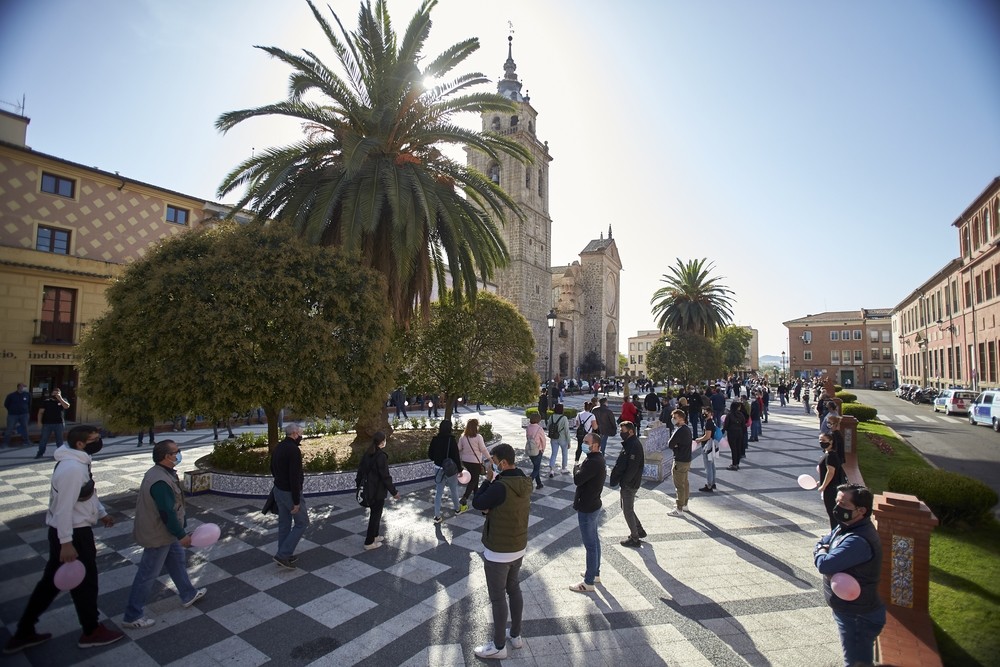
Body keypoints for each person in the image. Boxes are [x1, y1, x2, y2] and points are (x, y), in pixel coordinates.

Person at [3, 425, 124, 654]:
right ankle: (91, 631)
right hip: (73, 533)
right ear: (80, 444)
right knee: (86, 583)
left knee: (51, 584)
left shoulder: (80, 462)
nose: (99, 442)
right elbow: (63, 508)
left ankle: (24, 631)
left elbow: (87, 493)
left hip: (75, 530)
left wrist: (101, 513)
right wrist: (66, 542)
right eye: (95, 439)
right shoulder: (71, 469)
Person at [122, 440, 207, 629]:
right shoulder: (160, 480)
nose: (179, 454)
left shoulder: (161, 473)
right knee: (147, 574)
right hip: (159, 534)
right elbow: (167, 511)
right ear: (167, 456)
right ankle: (132, 615)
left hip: (165, 533)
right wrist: (181, 534)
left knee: (177, 561)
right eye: (177, 451)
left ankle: (188, 593)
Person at [471, 443, 532, 660]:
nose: (492, 466)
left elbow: (477, 502)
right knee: (514, 589)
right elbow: (501, 505)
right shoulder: (524, 480)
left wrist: (488, 479)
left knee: (498, 598)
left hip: (499, 551)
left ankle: (498, 647)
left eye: (494, 462)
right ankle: (515, 635)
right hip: (518, 546)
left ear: (503, 463)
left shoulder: (499, 486)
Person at [813, 484, 885, 667]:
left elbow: (825, 564)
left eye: (843, 503)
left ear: (861, 510)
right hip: (852, 611)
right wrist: (822, 547)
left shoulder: (857, 540)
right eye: (837, 501)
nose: (837, 507)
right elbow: (824, 540)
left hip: (858, 617)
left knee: (856, 663)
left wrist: (821, 551)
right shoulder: (847, 525)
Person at [570, 432, 606, 593]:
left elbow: (578, 480)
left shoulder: (593, 462)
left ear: (596, 445)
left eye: (586, 442)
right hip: (593, 504)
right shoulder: (596, 458)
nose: (583, 443)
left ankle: (588, 582)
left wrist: (576, 470)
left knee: (590, 544)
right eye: (583, 441)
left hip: (588, 506)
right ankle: (594, 572)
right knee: (594, 541)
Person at [270, 423, 309, 568]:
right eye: (300, 434)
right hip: (289, 492)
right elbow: (294, 476)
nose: (301, 437)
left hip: (278, 490)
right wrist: (296, 501)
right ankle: (283, 555)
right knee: (302, 522)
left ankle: (282, 553)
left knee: (284, 524)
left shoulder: (279, 447)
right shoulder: (293, 450)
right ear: (294, 433)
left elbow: (272, 467)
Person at [357, 431, 399, 549]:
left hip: (369, 490)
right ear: (381, 442)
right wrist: (394, 492)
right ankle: (369, 542)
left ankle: (375, 535)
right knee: (375, 515)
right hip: (377, 491)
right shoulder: (381, 457)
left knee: (376, 513)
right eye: (384, 440)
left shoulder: (368, 454)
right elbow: (385, 476)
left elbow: (360, 471)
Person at [609, 420, 645, 547]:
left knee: (627, 510)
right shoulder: (630, 443)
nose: (620, 433)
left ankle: (635, 538)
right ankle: (639, 530)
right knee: (627, 508)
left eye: (622, 431)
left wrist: (625, 482)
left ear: (630, 431)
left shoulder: (634, 445)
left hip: (630, 484)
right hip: (629, 482)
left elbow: (633, 467)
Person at [428, 420, 462, 523]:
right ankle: (457, 509)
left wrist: (437, 459)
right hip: (450, 469)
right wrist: (460, 469)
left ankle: (437, 516)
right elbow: (456, 456)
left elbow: (430, 455)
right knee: (453, 489)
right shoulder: (451, 440)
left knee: (439, 492)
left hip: (438, 468)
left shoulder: (435, 439)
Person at [458, 419, 491, 511]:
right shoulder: (478, 437)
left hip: (465, 461)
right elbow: (483, 449)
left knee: (474, 478)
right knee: (474, 479)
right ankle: (465, 497)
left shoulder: (463, 437)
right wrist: (490, 459)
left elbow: (459, 448)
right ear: (476, 426)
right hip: (475, 462)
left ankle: (477, 495)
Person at [667, 409, 693, 516]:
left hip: (680, 460)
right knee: (685, 483)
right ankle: (685, 504)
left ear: (681, 418)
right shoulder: (687, 429)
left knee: (679, 485)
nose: (673, 419)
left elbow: (670, 444)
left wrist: (676, 446)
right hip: (687, 459)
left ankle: (679, 508)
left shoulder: (680, 430)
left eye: (675, 417)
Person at [817, 433, 846, 530]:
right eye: (820, 440)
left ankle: (835, 533)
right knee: (832, 513)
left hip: (831, 489)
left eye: (824, 440)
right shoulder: (828, 454)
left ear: (831, 441)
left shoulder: (830, 455)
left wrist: (823, 486)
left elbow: (831, 472)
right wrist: (820, 482)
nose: (822, 442)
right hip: (832, 487)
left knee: (833, 513)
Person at [36, 388, 70, 459]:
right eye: (54, 393)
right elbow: (40, 412)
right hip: (47, 423)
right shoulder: (46, 401)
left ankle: (60, 454)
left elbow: (66, 406)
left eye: (57, 393)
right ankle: (40, 453)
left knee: (59, 440)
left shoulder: (63, 400)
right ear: (51, 394)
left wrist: (60, 398)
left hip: (59, 423)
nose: (55, 395)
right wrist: (39, 422)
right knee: (43, 439)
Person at [696, 406, 718, 492]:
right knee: (711, 465)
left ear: (710, 413)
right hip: (712, 444)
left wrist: (699, 439)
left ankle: (709, 485)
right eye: (703, 412)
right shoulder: (712, 421)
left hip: (707, 445)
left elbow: (707, 436)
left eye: (705, 412)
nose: (703, 414)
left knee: (708, 466)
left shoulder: (708, 423)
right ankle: (713, 483)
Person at [3, 382, 31, 448]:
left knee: (25, 428)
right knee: (9, 429)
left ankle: (26, 441)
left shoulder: (27, 395)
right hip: (12, 415)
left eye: (25, 386)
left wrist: (26, 410)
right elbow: (6, 404)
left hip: (24, 414)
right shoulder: (11, 395)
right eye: (23, 386)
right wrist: (12, 410)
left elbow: (29, 404)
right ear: (19, 387)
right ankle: (5, 443)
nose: (25, 388)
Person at [547, 403, 570, 477]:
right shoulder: (564, 418)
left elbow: (548, 427)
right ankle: (563, 468)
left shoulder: (552, 417)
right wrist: (569, 441)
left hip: (553, 438)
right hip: (563, 439)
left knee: (553, 454)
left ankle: (551, 470)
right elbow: (567, 431)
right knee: (564, 453)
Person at [524, 412, 547, 490]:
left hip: (530, 449)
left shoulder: (528, 427)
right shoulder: (539, 428)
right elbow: (543, 440)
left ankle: (539, 483)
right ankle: (527, 483)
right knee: (536, 469)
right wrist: (543, 449)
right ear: (538, 420)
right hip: (538, 450)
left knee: (535, 467)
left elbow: (527, 437)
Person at [726, 401, 747, 471]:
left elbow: (726, 425)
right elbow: (744, 425)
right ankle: (737, 463)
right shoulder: (741, 415)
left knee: (733, 449)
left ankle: (734, 464)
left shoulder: (730, 415)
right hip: (739, 433)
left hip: (732, 433)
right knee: (738, 448)